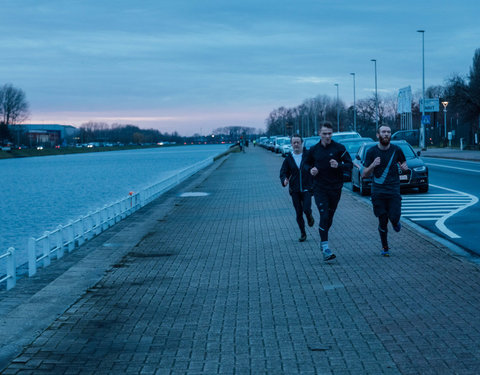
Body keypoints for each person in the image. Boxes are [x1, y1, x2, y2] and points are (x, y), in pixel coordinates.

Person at [306, 122, 352, 261]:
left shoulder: (339, 148)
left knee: (329, 218)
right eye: (324, 133)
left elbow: (349, 165)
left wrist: (339, 165)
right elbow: (305, 164)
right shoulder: (314, 150)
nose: (327, 136)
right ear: (319, 133)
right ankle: (326, 248)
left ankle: (323, 239)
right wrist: (310, 170)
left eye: (329, 134)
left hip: (335, 188)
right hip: (319, 188)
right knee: (324, 215)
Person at [362, 124, 408, 257]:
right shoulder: (371, 152)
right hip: (378, 192)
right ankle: (385, 247)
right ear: (378, 135)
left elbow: (404, 165)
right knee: (382, 219)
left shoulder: (397, 150)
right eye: (383, 132)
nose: (386, 134)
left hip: (393, 190)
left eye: (388, 132)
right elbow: (365, 174)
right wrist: (372, 165)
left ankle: (395, 222)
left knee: (394, 217)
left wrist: (405, 168)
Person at [280, 135, 315, 242]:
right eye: (294, 143)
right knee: (298, 212)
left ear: (301, 143)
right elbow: (283, 172)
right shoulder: (289, 158)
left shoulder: (308, 155)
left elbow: (316, 165)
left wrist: (314, 170)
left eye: (298, 142)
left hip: (307, 187)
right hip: (294, 190)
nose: (296, 144)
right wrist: (284, 180)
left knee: (306, 209)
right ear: (291, 144)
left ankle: (309, 216)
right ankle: (303, 233)